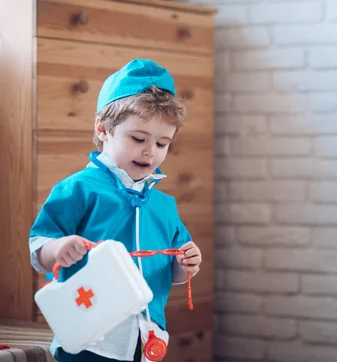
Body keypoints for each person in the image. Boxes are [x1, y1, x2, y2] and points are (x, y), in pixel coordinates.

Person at [28, 59, 202, 362]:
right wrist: (58, 249)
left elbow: (173, 271)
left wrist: (188, 263)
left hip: (144, 341)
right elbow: (39, 245)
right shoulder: (79, 189)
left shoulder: (164, 206)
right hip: (88, 338)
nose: (150, 151)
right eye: (138, 139)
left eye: (163, 143)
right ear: (103, 128)